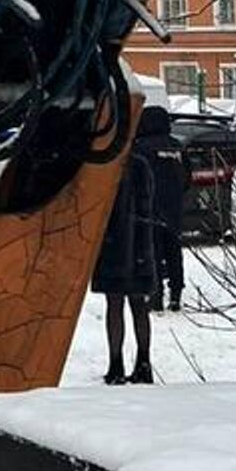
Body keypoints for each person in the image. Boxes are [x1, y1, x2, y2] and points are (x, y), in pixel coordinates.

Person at [93, 102, 162, 384]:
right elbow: (150, 205)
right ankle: (143, 363)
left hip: (112, 245)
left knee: (115, 305)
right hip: (140, 245)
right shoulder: (141, 165)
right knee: (138, 305)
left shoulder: (105, 167)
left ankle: (115, 365)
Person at [143, 101, 189, 313]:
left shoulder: (140, 148)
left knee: (152, 251)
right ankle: (176, 295)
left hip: (148, 208)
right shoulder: (177, 146)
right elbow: (187, 178)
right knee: (174, 252)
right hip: (174, 208)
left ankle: (155, 294)